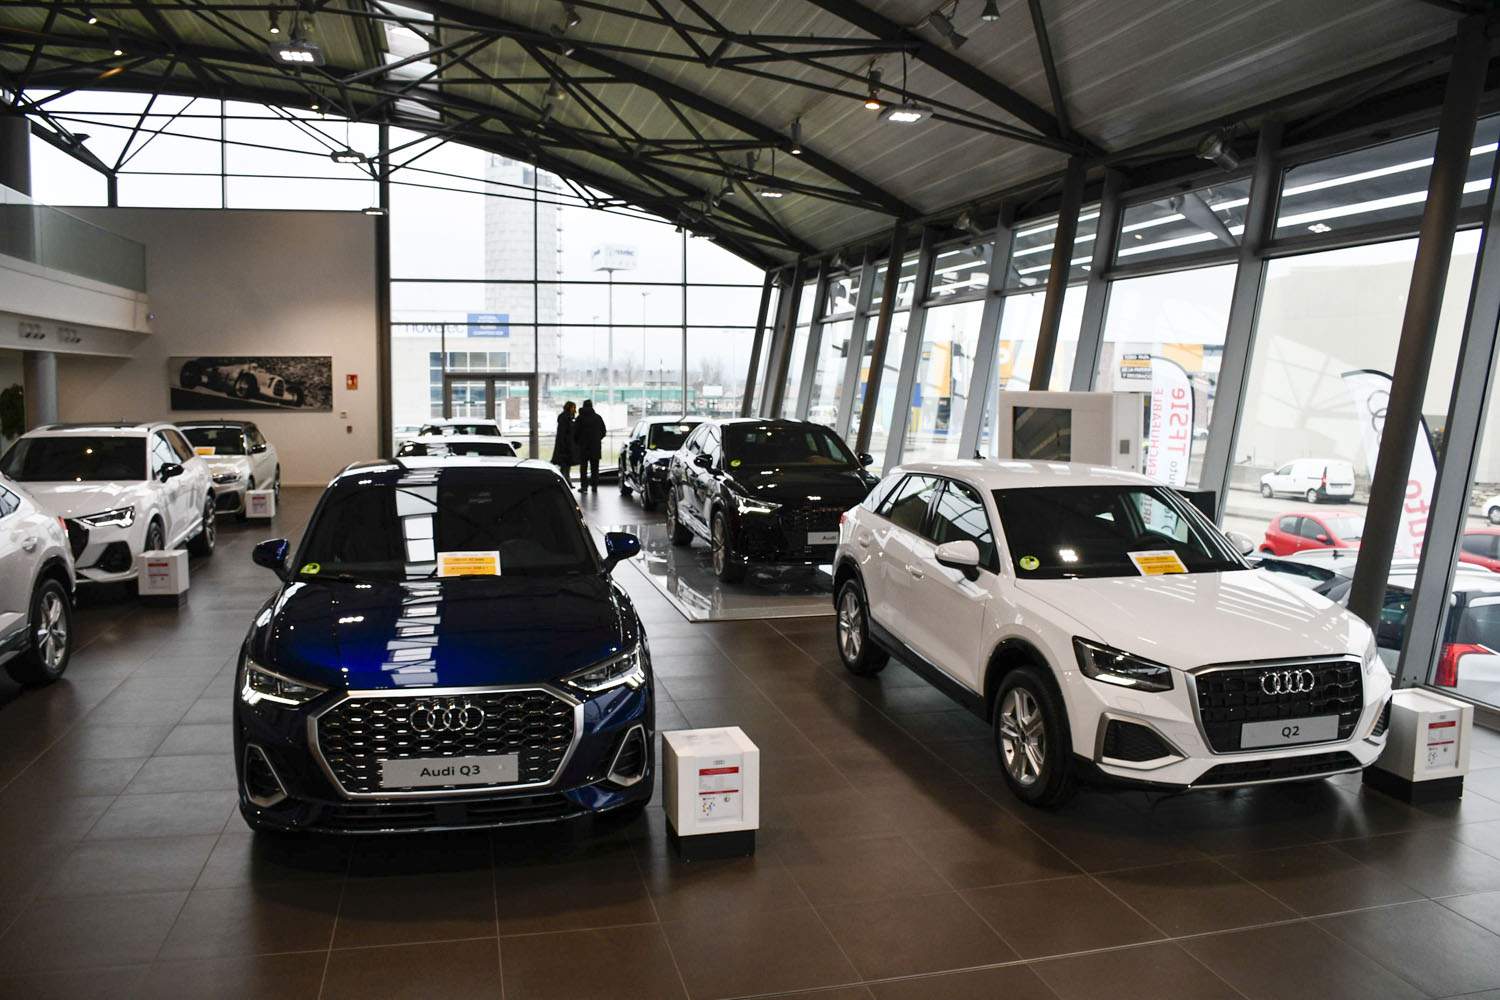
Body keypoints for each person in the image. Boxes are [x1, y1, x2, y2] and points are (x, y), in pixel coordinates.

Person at [572, 399, 606, 491]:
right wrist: (597, 439)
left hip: (583, 447)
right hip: (595, 447)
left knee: (583, 468)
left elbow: (575, 432)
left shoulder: (579, 418)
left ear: (583, 406)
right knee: (595, 468)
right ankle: (594, 486)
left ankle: (584, 486)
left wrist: (578, 442)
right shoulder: (598, 418)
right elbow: (603, 431)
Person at [551, 401, 577, 485]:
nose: (574, 409)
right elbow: (563, 433)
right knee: (565, 464)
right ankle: (564, 482)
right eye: (573, 407)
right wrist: (563, 445)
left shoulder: (566, 417)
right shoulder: (565, 418)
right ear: (569, 408)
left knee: (566, 464)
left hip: (566, 445)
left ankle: (566, 481)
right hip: (565, 445)